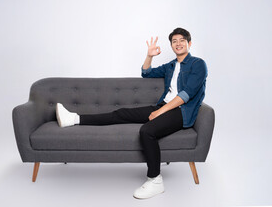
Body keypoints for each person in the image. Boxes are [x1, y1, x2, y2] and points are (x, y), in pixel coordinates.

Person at [55, 27, 208, 199]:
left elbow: (186, 95)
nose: (178, 44)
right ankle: (74, 118)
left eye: (181, 40)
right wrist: (149, 55)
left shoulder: (198, 64)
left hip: (181, 112)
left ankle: (155, 180)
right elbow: (146, 73)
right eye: (174, 41)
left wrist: (160, 113)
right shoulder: (171, 66)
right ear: (171, 46)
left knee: (147, 131)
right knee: (121, 113)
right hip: (163, 106)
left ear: (189, 43)